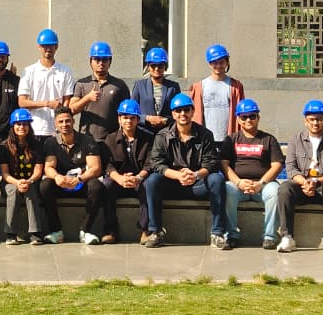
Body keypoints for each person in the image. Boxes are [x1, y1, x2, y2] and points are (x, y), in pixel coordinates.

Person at [147, 93, 229, 249]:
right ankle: (155, 231)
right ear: (173, 114)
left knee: (217, 180)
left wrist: (195, 175)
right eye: (178, 110)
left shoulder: (205, 135)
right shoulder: (162, 136)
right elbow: (157, 164)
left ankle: (217, 234)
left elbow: (211, 163)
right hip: (172, 184)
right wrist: (178, 175)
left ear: (193, 111)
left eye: (186, 110)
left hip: (197, 184)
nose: (182, 114)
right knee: (152, 181)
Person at [275, 100, 323, 254]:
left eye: (319, 119)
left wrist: (316, 182)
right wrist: (305, 182)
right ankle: (287, 237)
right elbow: (291, 168)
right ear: (305, 120)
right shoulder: (295, 140)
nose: (315, 123)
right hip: (302, 186)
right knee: (284, 188)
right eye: (312, 119)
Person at [220, 99, 284, 249]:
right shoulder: (231, 139)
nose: (248, 120)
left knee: (275, 191)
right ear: (238, 119)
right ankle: (231, 235)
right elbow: (224, 164)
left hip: (263, 185)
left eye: (252, 116)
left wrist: (260, 183)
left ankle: (269, 236)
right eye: (244, 117)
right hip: (238, 186)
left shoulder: (269, 139)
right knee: (226, 189)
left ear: (258, 117)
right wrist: (238, 182)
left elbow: (277, 165)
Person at [40, 106, 105, 244]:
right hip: (62, 184)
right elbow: (49, 167)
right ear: (55, 123)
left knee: (96, 186)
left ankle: (85, 231)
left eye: (68, 121)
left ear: (73, 121)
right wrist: (57, 177)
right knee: (45, 185)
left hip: (81, 183)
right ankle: (56, 231)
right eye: (61, 121)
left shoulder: (88, 141)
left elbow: (96, 168)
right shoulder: (51, 143)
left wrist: (80, 179)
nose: (65, 124)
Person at [100, 100, 155, 246]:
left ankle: (145, 231)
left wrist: (138, 177)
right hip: (118, 180)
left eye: (132, 118)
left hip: (139, 179)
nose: (128, 121)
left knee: (148, 186)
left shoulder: (148, 138)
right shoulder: (110, 139)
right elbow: (108, 165)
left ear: (137, 119)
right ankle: (110, 230)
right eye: (125, 117)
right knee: (107, 185)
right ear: (119, 118)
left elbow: (150, 163)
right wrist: (119, 178)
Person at [18, 28, 75, 140]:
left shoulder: (65, 71)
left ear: (56, 46)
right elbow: (22, 102)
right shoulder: (29, 71)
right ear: (39, 47)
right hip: (34, 129)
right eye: (45, 46)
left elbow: (67, 101)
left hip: (57, 131)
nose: (48, 49)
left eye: (51, 45)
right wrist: (47, 103)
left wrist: (61, 123)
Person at [69, 42, 130, 142]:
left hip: (112, 139)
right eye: (97, 59)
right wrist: (87, 98)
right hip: (86, 139)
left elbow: (127, 114)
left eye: (105, 59)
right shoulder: (82, 83)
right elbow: (72, 110)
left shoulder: (119, 85)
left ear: (110, 61)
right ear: (91, 61)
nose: (101, 63)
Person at [0, 108, 44, 245]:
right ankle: (10, 234)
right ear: (13, 126)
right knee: (13, 190)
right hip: (10, 182)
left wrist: (28, 181)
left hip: (31, 181)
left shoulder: (37, 145)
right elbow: (5, 173)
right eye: (18, 124)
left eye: (25, 124)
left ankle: (35, 233)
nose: (22, 127)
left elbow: (38, 171)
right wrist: (17, 183)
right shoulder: (4, 146)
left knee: (31, 190)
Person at [187, 44, 245, 142]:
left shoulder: (236, 87)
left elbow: (242, 114)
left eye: (221, 62)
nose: (218, 66)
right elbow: (192, 115)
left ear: (227, 62)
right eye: (215, 63)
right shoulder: (199, 87)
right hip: (205, 140)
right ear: (209, 64)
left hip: (229, 140)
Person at [130, 47, 181, 137]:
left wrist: (165, 120)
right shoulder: (139, 85)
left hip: (166, 134)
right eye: (153, 65)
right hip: (144, 133)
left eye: (160, 66)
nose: (157, 69)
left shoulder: (173, 87)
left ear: (165, 66)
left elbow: (179, 111)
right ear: (148, 66)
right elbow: (131, 111)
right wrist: (147, 118)